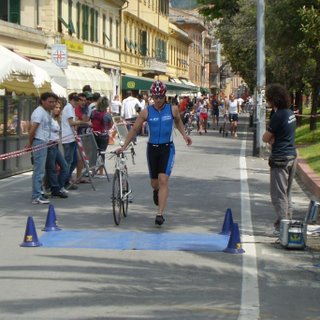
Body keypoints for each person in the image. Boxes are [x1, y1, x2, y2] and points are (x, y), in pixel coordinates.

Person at [116, 80, 192, 226]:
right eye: (155, 97)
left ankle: (159, 213)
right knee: (154, 183)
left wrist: (184, 135)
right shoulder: (146, 111)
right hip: (152, 149)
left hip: (167, 149)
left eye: (160, 97)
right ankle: (156, 191)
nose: (157, 100)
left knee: (163, 179)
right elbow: (134, 129)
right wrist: (124, 146)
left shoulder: (173, 109)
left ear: (165, 96)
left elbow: (178, 122)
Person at [262, 83, 297, 236]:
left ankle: (284, 228)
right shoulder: (290, 113)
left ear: (274, 100)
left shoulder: (278, 115)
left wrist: (270, 139)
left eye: (268, 99)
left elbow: (266, 137)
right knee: (286, 193)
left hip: (280, 157)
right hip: (291, 155)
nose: (267, 102)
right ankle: (285, 223)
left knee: (278, 195)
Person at [26, 92, 59, 204]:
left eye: (54, 102)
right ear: (43, 101)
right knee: (39, 170)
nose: (53, 104)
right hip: (39, 142)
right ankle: (36, 196)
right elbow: (33, 129)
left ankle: (39, 192)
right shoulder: (39, 112)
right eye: (50, 102)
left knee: (41, 170)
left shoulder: (47, 112)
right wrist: (30, 143)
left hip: (45, 142)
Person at [61, 92, 90, 190]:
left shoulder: (71, 108)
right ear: (73, 100)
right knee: (68, 161)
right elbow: (71, 122)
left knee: (74, 161)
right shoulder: (68, 107)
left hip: (71, 137)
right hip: (67, 138)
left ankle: (67, 180)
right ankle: (64, 182)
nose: (77, 104)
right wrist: (83, 122)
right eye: (76, 101)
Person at [45, 100, 69, 198]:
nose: (58, 109)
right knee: (51, 168)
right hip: (49, 145)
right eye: (56, 107)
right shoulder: (48, 118)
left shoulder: (56, 119)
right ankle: (55, 188)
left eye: (59, 108)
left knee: (64, 166)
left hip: (55, 145)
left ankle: (58, 186)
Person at [90, 97, 113, 175]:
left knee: (93, 152)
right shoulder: (107, 115)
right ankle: (101, 171)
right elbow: (110, 125)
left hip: (94, 134)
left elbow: (91, 121)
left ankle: (92, 170)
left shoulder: (93, 112)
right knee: (101, 152)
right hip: (103, 135)